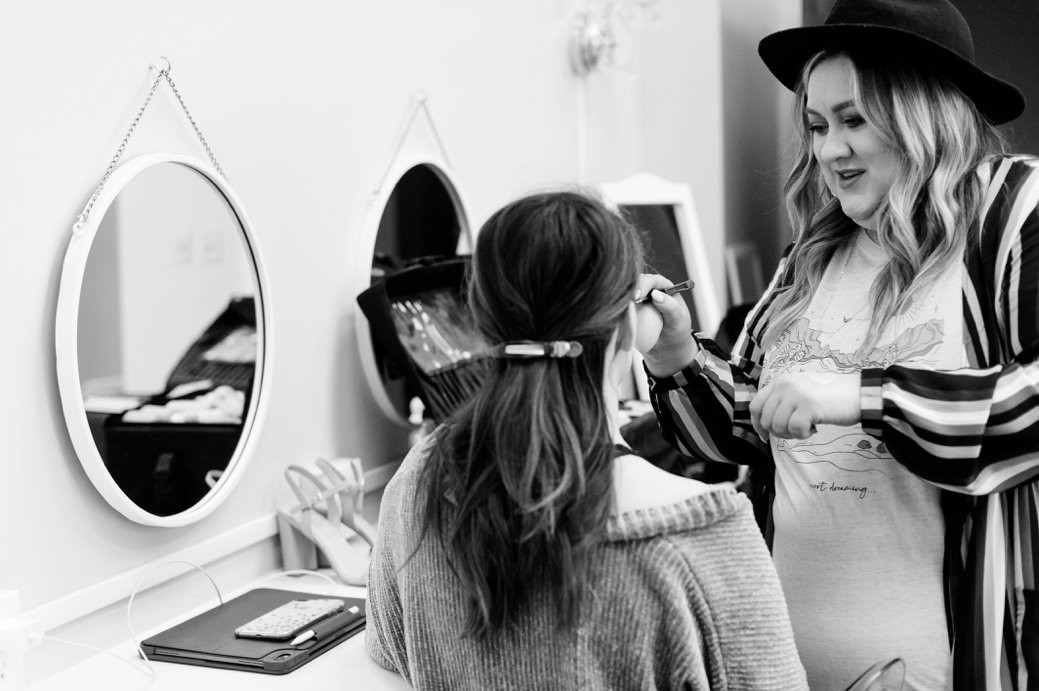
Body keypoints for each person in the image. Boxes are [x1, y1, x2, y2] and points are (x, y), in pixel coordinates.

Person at [641, 0, 1039, 688]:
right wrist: (674, 355)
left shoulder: (1010, 213)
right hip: (780, 663)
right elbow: (752, 428)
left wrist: (859, 396)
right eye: (817, 125)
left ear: (920, 110)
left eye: (852, 120)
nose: (827, 150)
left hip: (940, 666)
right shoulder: (816, 253)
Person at [365, 190, 807, 690]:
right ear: (630, 325)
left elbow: (389, 659)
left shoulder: (417, 484)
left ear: (481, 322)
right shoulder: (705, 537)